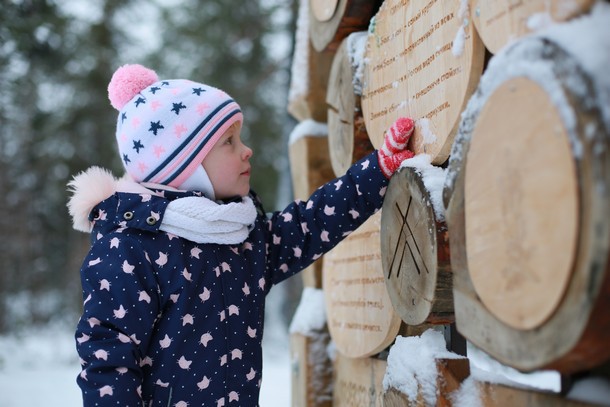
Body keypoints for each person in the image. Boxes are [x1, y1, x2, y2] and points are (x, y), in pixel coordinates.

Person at [68, 64, 415, 406]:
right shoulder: (130, 247)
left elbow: (311, 224)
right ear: (183, 165)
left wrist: (377, 172)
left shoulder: (240, 236)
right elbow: (108, 358)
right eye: (229, 142)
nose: (246, 149)